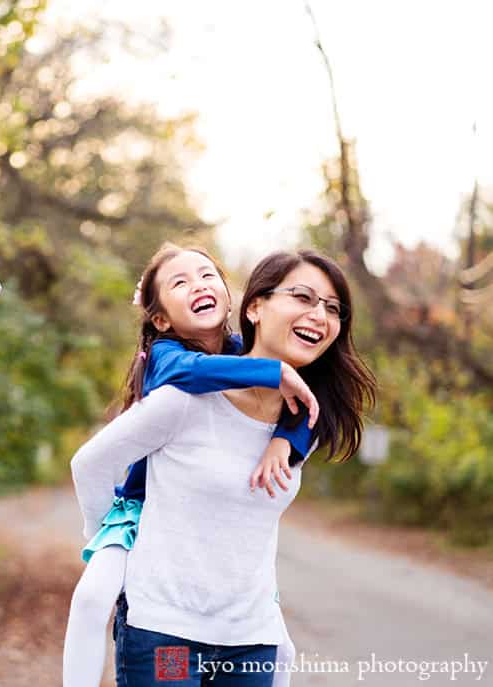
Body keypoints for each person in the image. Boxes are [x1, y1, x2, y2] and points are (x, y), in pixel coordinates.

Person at [72, 249, 376, 686]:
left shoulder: (305, 418)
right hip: (167, 634)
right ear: (255, 307)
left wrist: (284, 440)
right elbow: (90, 464)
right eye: (303, 297)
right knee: (90, 599)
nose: (319, 315)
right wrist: (113, 541)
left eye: (333, 308)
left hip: (251, 638)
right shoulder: (182, 394)